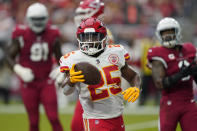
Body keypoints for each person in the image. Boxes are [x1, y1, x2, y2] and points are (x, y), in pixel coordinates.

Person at [59, 17, 141, 131]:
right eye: (85, 37)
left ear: (103, 37)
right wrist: (71, 81)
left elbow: (133, 76)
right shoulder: (73, 59)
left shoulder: (116, 52)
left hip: (118, 117)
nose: (89, 41)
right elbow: (66, 91)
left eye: (93, 36)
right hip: (94, 119)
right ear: (79, 38)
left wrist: (136, 87)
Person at [6, 3, 63, 131]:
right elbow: (8, 57)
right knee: (33, 121)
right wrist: (20, 70)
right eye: (35, 19)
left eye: (40, 19)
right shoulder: (21, 34)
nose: (38, 23)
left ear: (46, 18)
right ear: (29, 19)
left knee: (53, 118)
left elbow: (61, 58)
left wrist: (61, 69)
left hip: (46, 81)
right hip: (28, 84)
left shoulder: (53, 33)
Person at [70, 0, 114, 130]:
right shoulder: (88, 33)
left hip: (98, 87)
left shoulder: (104, 34)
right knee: (77, 126)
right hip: (89, 86)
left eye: (83, 12)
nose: (79, 16)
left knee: (79, 126)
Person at [147, 17, 197, 131]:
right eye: (164, 33)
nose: (168, 36)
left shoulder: (189, 49)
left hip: (189, 102)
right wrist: (181, 74)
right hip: (169, 104)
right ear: (159, 35)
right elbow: (159, 84)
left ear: (177, 32)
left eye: (171, 32)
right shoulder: (157, 54)